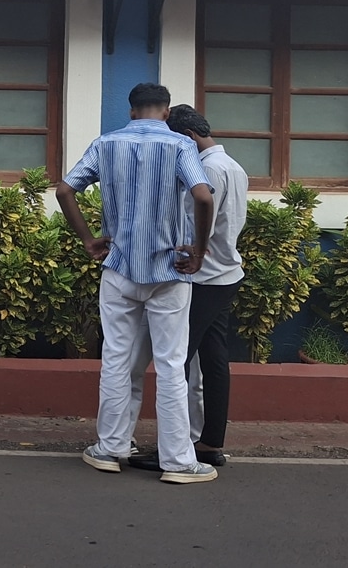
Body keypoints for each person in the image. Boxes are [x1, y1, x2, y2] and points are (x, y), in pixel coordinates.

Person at [55, 82, 217, 485]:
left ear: (131, 111)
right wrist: (198, 249)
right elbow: (203, 197)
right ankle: (178, 461)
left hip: (120, 270)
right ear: (165, 112)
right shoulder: (180, 146)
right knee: (170, 365)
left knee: (117, 360)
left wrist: (88, 238)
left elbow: (64, 190)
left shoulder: (105, 144)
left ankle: (109, 448)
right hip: (170, 271)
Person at [125, 105, 249, 472]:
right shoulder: (233, 166)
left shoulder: (207, 169)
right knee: (213, 361)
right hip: (225, 273)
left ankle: (174, 450)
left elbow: (201, 221)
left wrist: (185, 248)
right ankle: (209, 442)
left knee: (174, 363)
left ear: (189, 138)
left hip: (203, 276)